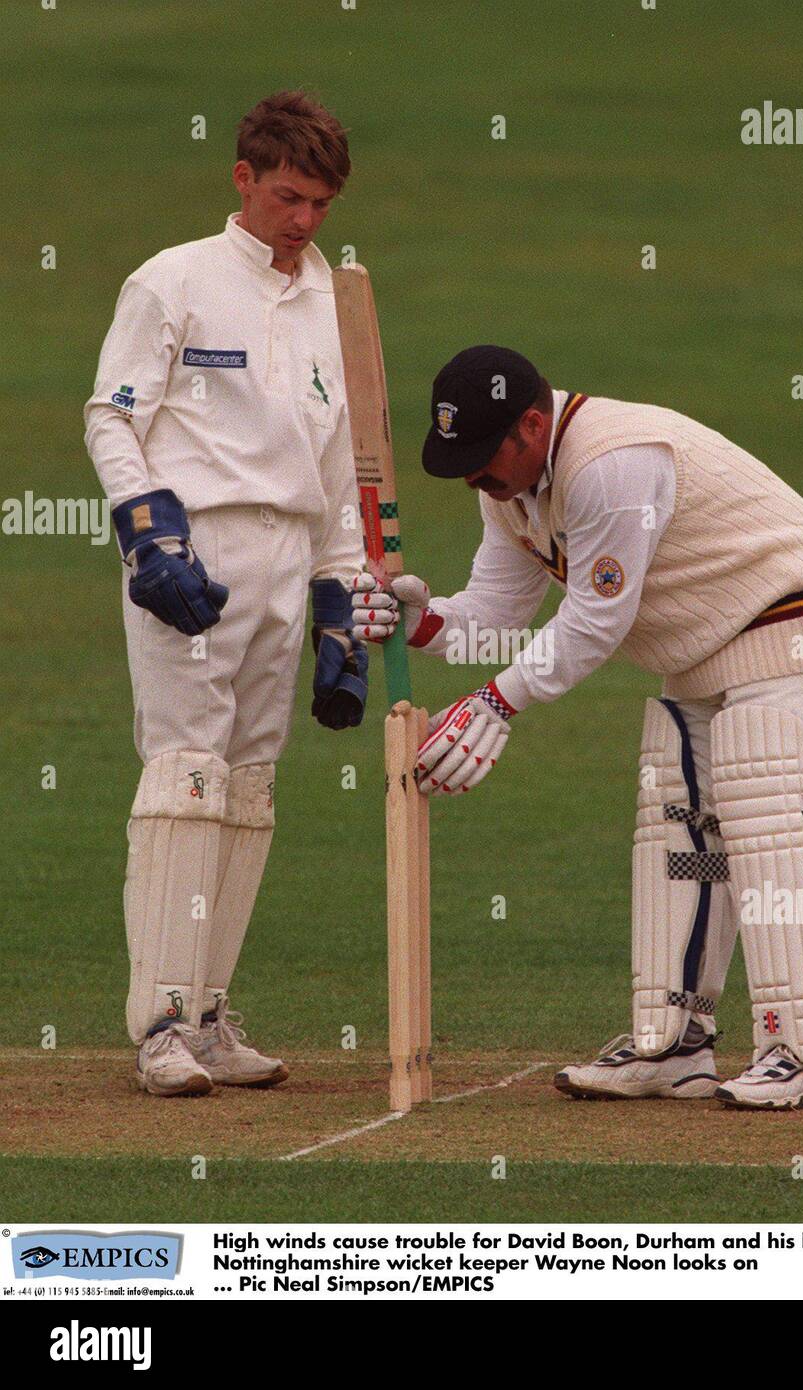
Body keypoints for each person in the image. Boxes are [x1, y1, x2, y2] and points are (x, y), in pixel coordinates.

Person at [353, 346, 803, 1110]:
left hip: (787, 611)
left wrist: (497, 703)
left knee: (765, 811)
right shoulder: (509, 489)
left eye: (485, 458)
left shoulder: (611, 465)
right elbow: (496, 616)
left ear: (533, 424)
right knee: (676, 824)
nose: (474, 479)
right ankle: (673, 1045)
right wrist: (421, 623)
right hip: (698, 642)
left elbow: (595, 619)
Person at [85, 91, 367, 1097]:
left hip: (291, 555)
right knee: (187, 775)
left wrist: (343, 592)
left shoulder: (339, 300)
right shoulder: (175, 281)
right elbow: (111, 418)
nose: (301, 221)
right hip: (193, 552)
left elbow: (343, 468)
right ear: (242, 177)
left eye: (320, 205)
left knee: (248, 787)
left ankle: (208, 1014)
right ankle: (160, 1020)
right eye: (287, 197)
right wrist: (148, 535)